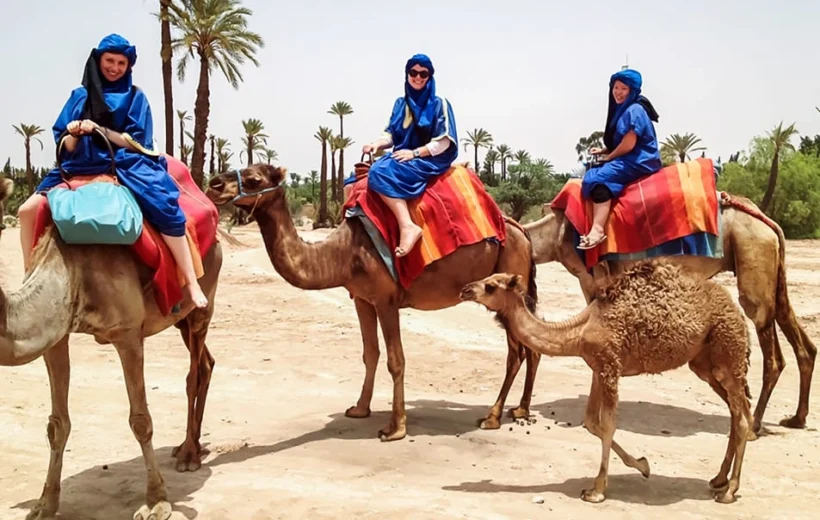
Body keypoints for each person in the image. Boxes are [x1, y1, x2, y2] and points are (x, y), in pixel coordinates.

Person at [17, 34, 208, 308]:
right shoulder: (79, 96)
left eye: (121, 62)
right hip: (78, 163)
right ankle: (30, 278)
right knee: (27, 210)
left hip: (124, 160)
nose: (115, 67)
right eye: (110, 61)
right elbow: (64, 144)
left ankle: (191, 282)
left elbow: (138, 141)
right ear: (98, 60)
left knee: (163, 207)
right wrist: (73, 132)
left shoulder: (135, 97)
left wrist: (100, 130)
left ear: (128, 66)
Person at [358, 53, 458, 257]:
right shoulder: (400, 104)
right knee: (353, 182)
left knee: (378, 172)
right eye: (414, 72)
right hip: (403, 155)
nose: (418, 77)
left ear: (430, 76)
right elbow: (391, 134)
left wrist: (415, 153)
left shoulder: (440, 104)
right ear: (407, 74)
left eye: (424, 73)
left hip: (429, 158)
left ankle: (407, 226)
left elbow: (444, 140)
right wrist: (375, 144)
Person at [579, 68, 662, 250]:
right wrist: (603, 150)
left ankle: (597, 229)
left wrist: (609, 157)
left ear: (632, 91)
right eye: (615, 88)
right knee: (594, 170)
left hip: (639, 159)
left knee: (596, 178)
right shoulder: (626, 109)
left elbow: (629, 144)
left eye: (623, 89)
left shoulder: (634, 110)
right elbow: (623, 140)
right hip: (631, 156)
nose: (618, 92)